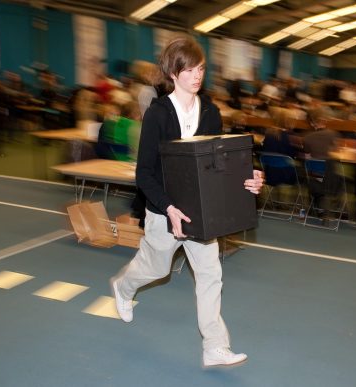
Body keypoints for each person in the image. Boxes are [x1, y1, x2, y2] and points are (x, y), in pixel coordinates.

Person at [109, 35, 264, 368]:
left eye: (201, 68)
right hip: (164, 210)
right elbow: (144, 174)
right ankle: (123, 287)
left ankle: (215, 346)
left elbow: (218, 166)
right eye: (190, 69)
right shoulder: (158, 115)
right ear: (173, 72)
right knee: (156, 267)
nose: (197, 75)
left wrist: (249, 178)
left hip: (200, 212)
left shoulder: (211, 112)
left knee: (211, 274)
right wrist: (168, 208)